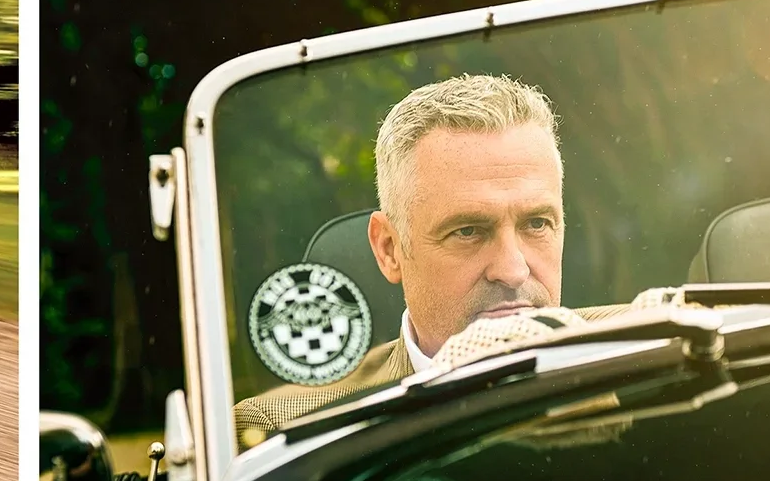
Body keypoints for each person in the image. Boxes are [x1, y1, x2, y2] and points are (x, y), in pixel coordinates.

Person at [235, 73, 630, 445]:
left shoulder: (654, 349)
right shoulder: (286, 428)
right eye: (468, 231)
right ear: (389, 249)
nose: (513, 270)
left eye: (537, 224)